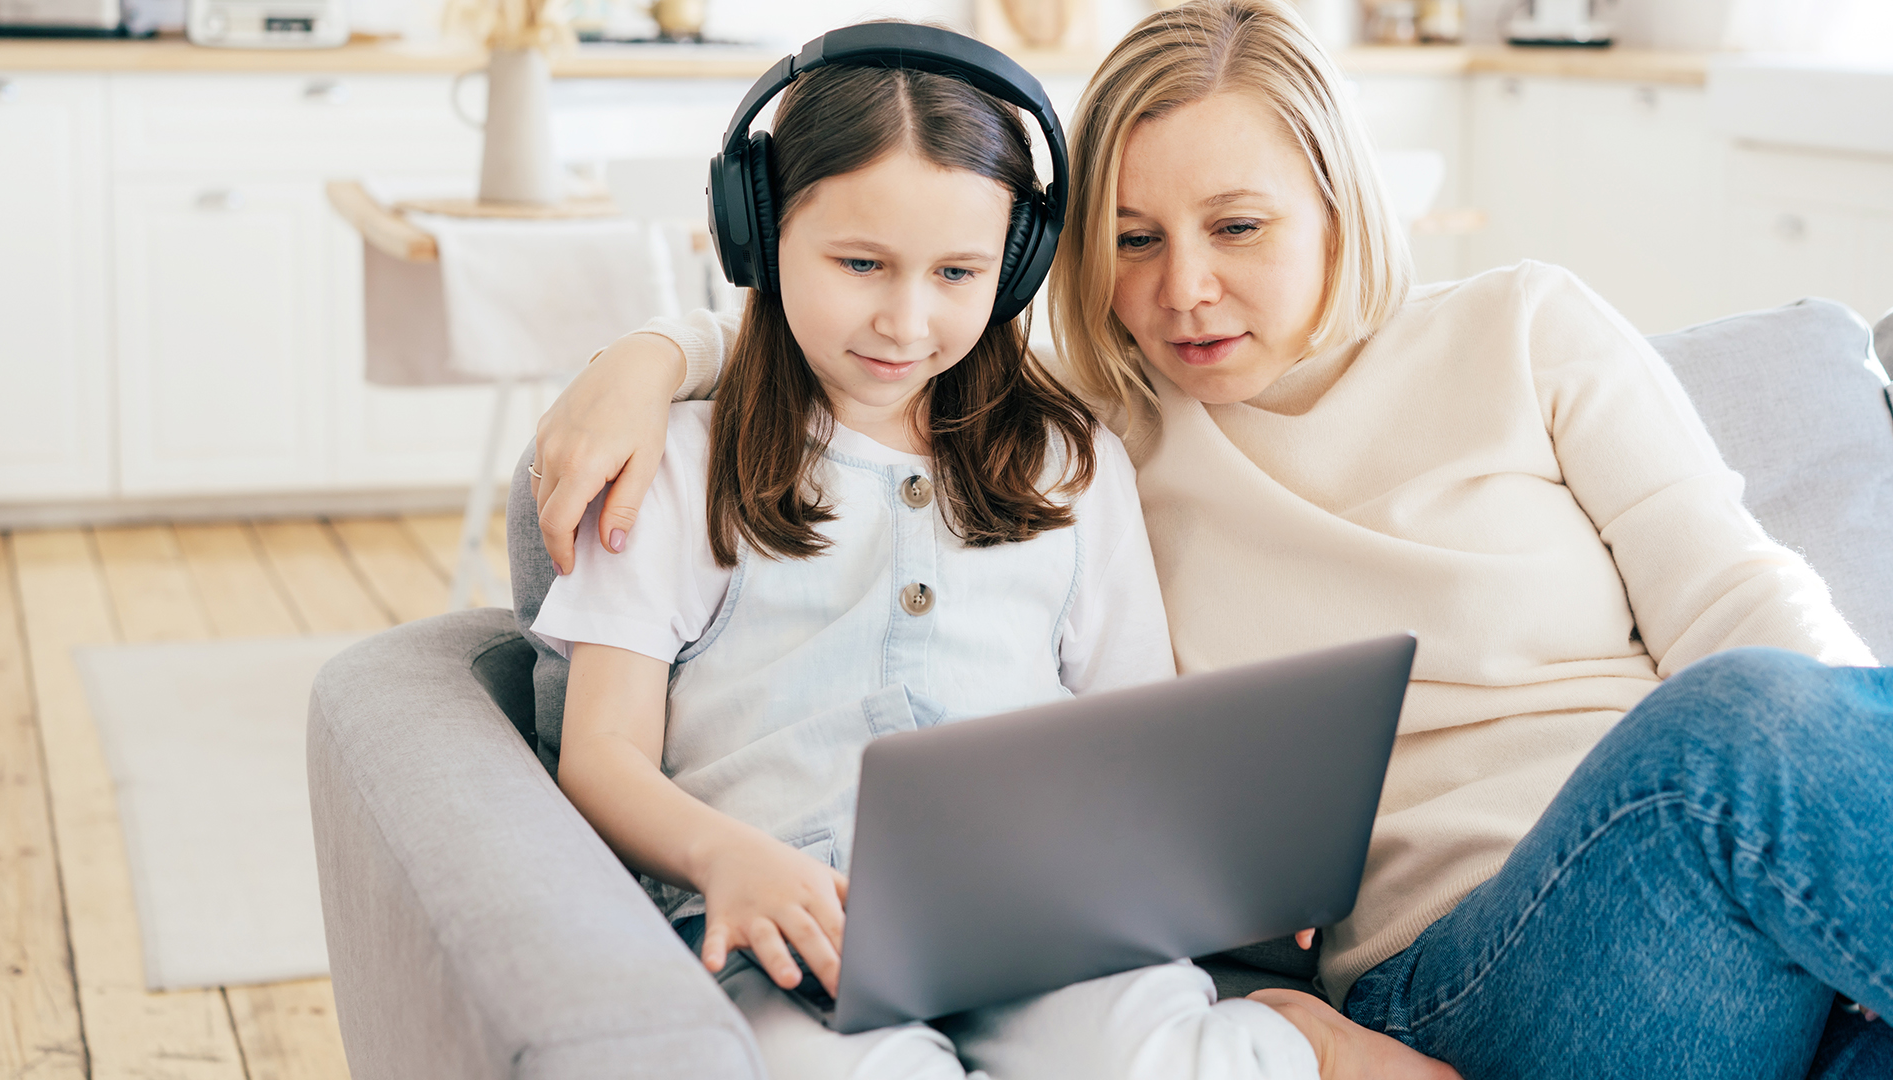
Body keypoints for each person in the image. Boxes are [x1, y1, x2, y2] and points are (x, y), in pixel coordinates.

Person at [526, 3, 1893, 1077]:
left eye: (1238, 226)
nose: (1183, 290)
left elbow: (1739, 594)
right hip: (1468, 975)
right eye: (1130, 241)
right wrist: (662, 351)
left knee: (1775, 726)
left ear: (1340, 201)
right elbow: (883, 346)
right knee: (1742, 735)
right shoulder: (1111, 441)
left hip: (1731, 930)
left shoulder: (1527, 331)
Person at [524, 44, 1454, 1080]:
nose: (905, 320)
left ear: (1014, 267)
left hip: (1044, 921)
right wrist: (720, 856)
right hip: (788, 933)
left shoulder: (1070, 462)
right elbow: (597, 756)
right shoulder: (674, 467)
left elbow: (1134, 732)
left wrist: (1224, 878)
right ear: (758, 233)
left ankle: (1287, 1038)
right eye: (859, 264)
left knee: (1155, 1061)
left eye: (958, 273)